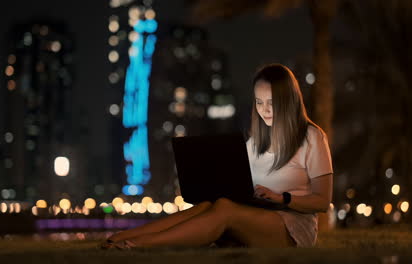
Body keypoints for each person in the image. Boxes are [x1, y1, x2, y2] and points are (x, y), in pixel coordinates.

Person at [100, 63, 333, 249]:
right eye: (259, 102)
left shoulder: (311, 136)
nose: (265, 110)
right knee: (210, 204)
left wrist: (282, 198)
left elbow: (322, 201)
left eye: (272, 102)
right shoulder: (255, 141)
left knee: (224, 209)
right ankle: (122, 236)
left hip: (293, 226)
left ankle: (139, 244)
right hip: (256, 214)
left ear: (288, 100)